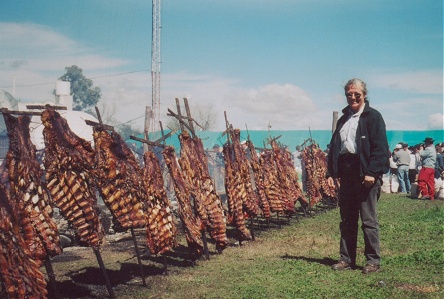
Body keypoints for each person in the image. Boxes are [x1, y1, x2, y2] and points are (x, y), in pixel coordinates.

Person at [326, 78, 389, 274]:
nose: (352, 97)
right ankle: (346, 259)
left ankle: (372, 261)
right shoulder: (344, 119)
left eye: (356, 94)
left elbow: (380, 147)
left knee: (368, 220)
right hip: (347, 173)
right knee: (347, 219)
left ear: (364, 95)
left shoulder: (373, 117)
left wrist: (372, 172)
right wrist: (332, 172)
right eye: (349, 94)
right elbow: (335, 146)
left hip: (365, 173)